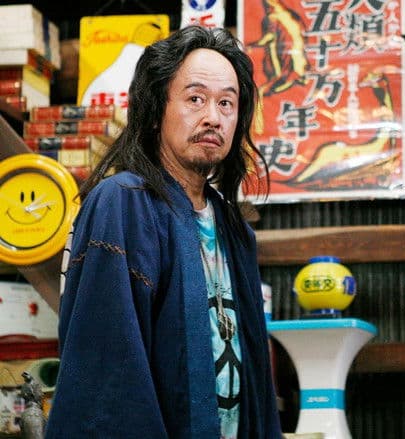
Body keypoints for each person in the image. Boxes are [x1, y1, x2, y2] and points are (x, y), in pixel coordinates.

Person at [46, 26, 282, 438]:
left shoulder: (234, 229)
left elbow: (257, 379)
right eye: (195, 99)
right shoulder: (123, 204)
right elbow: (107, 374)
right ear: (157, 111)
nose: (213, 117)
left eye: (226, 103)